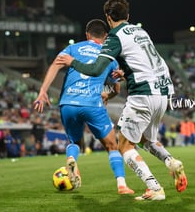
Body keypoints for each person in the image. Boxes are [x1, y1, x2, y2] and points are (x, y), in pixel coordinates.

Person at [56, 0, 187, 201]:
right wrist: (125, 74)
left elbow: (95, 69)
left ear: (108, 18)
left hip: (142, 95)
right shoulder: (140, 31)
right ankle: (171, 162)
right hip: (162, 93)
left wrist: (72, 62)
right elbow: (147, 63)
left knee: (124, 146)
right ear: (128, 15)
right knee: (146, 140)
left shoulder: (114, 37)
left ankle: (154, 188)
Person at [33, 18, 134, 195]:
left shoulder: (73, 48)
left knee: (75, 142)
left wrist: (43, 91)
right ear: (105, 36)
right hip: (92, 103)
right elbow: (117, 87)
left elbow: (55, 65)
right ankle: (122, 185)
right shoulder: (108, 54)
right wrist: (107, 94)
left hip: (68, 103)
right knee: (112, 145)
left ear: (87, 35)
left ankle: (72, 158)